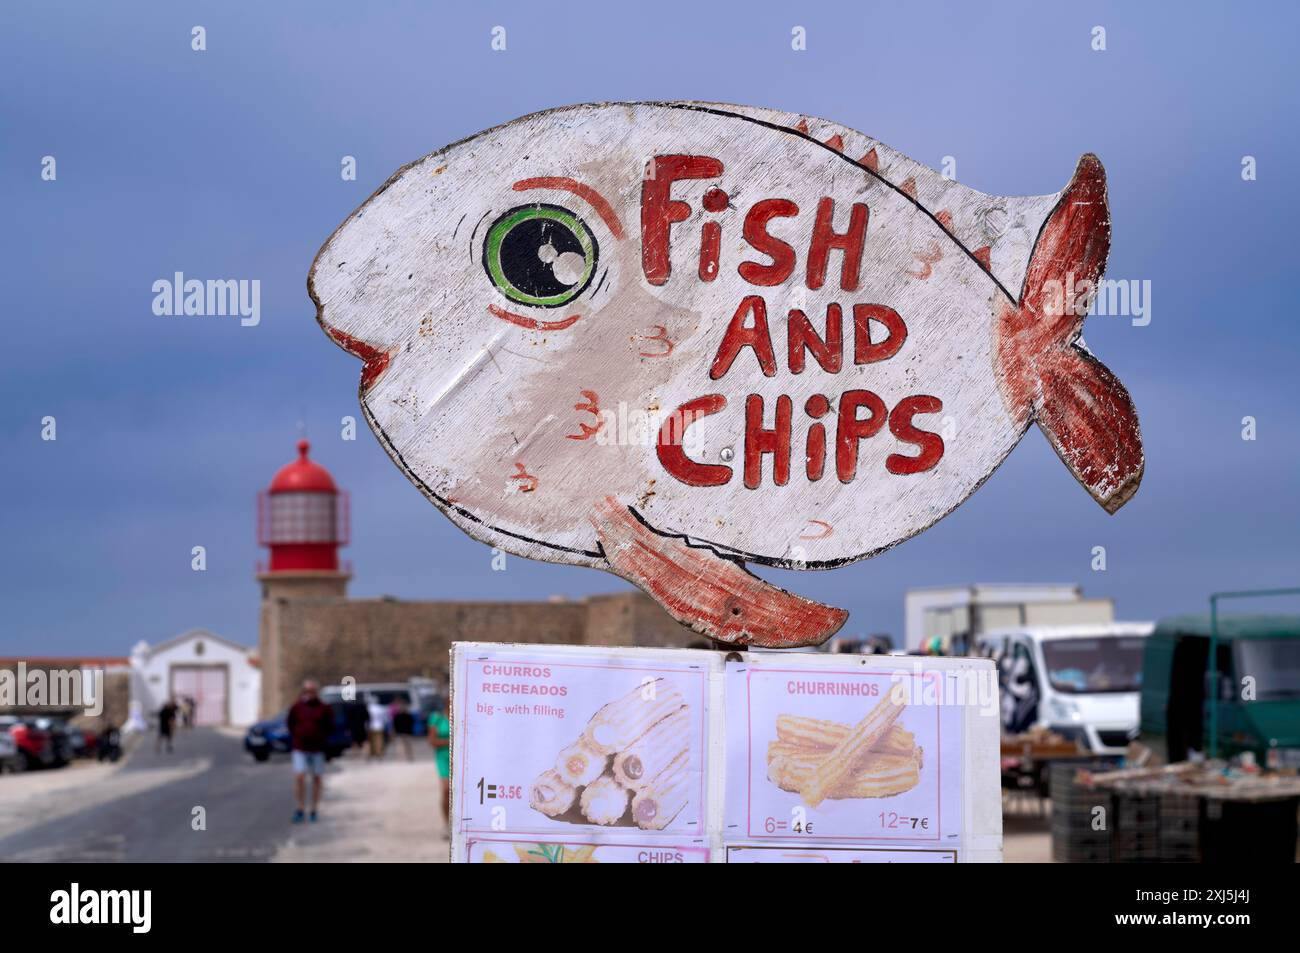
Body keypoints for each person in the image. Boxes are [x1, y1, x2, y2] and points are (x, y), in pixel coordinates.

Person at [287, 680, 334, 823]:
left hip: (317, 749)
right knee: (300, 777)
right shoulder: (296, 707)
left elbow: (330, 725)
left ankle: (314, 808)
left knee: (317, 779)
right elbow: (290, 724)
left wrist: (321, 737)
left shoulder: (324, 708)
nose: (309, 694)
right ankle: (300, 808)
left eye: (312, 691)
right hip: (300, 747)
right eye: (307, 691)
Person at [427, 705, 451, 825]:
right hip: (443, 757)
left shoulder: (461, 715)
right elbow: (432, 741)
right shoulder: (437, 718)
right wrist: (452, 741)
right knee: (446, 790)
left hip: (458, 758)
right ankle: (446, 823)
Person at [366, 694, 389, 759]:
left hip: (371, 726)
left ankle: (373, 753)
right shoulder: (381, 708)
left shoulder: (368, 708)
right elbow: (385, 718)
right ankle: (379, 753)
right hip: (380, 726)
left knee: (372, 741)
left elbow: (367, 719)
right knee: (379, 740)